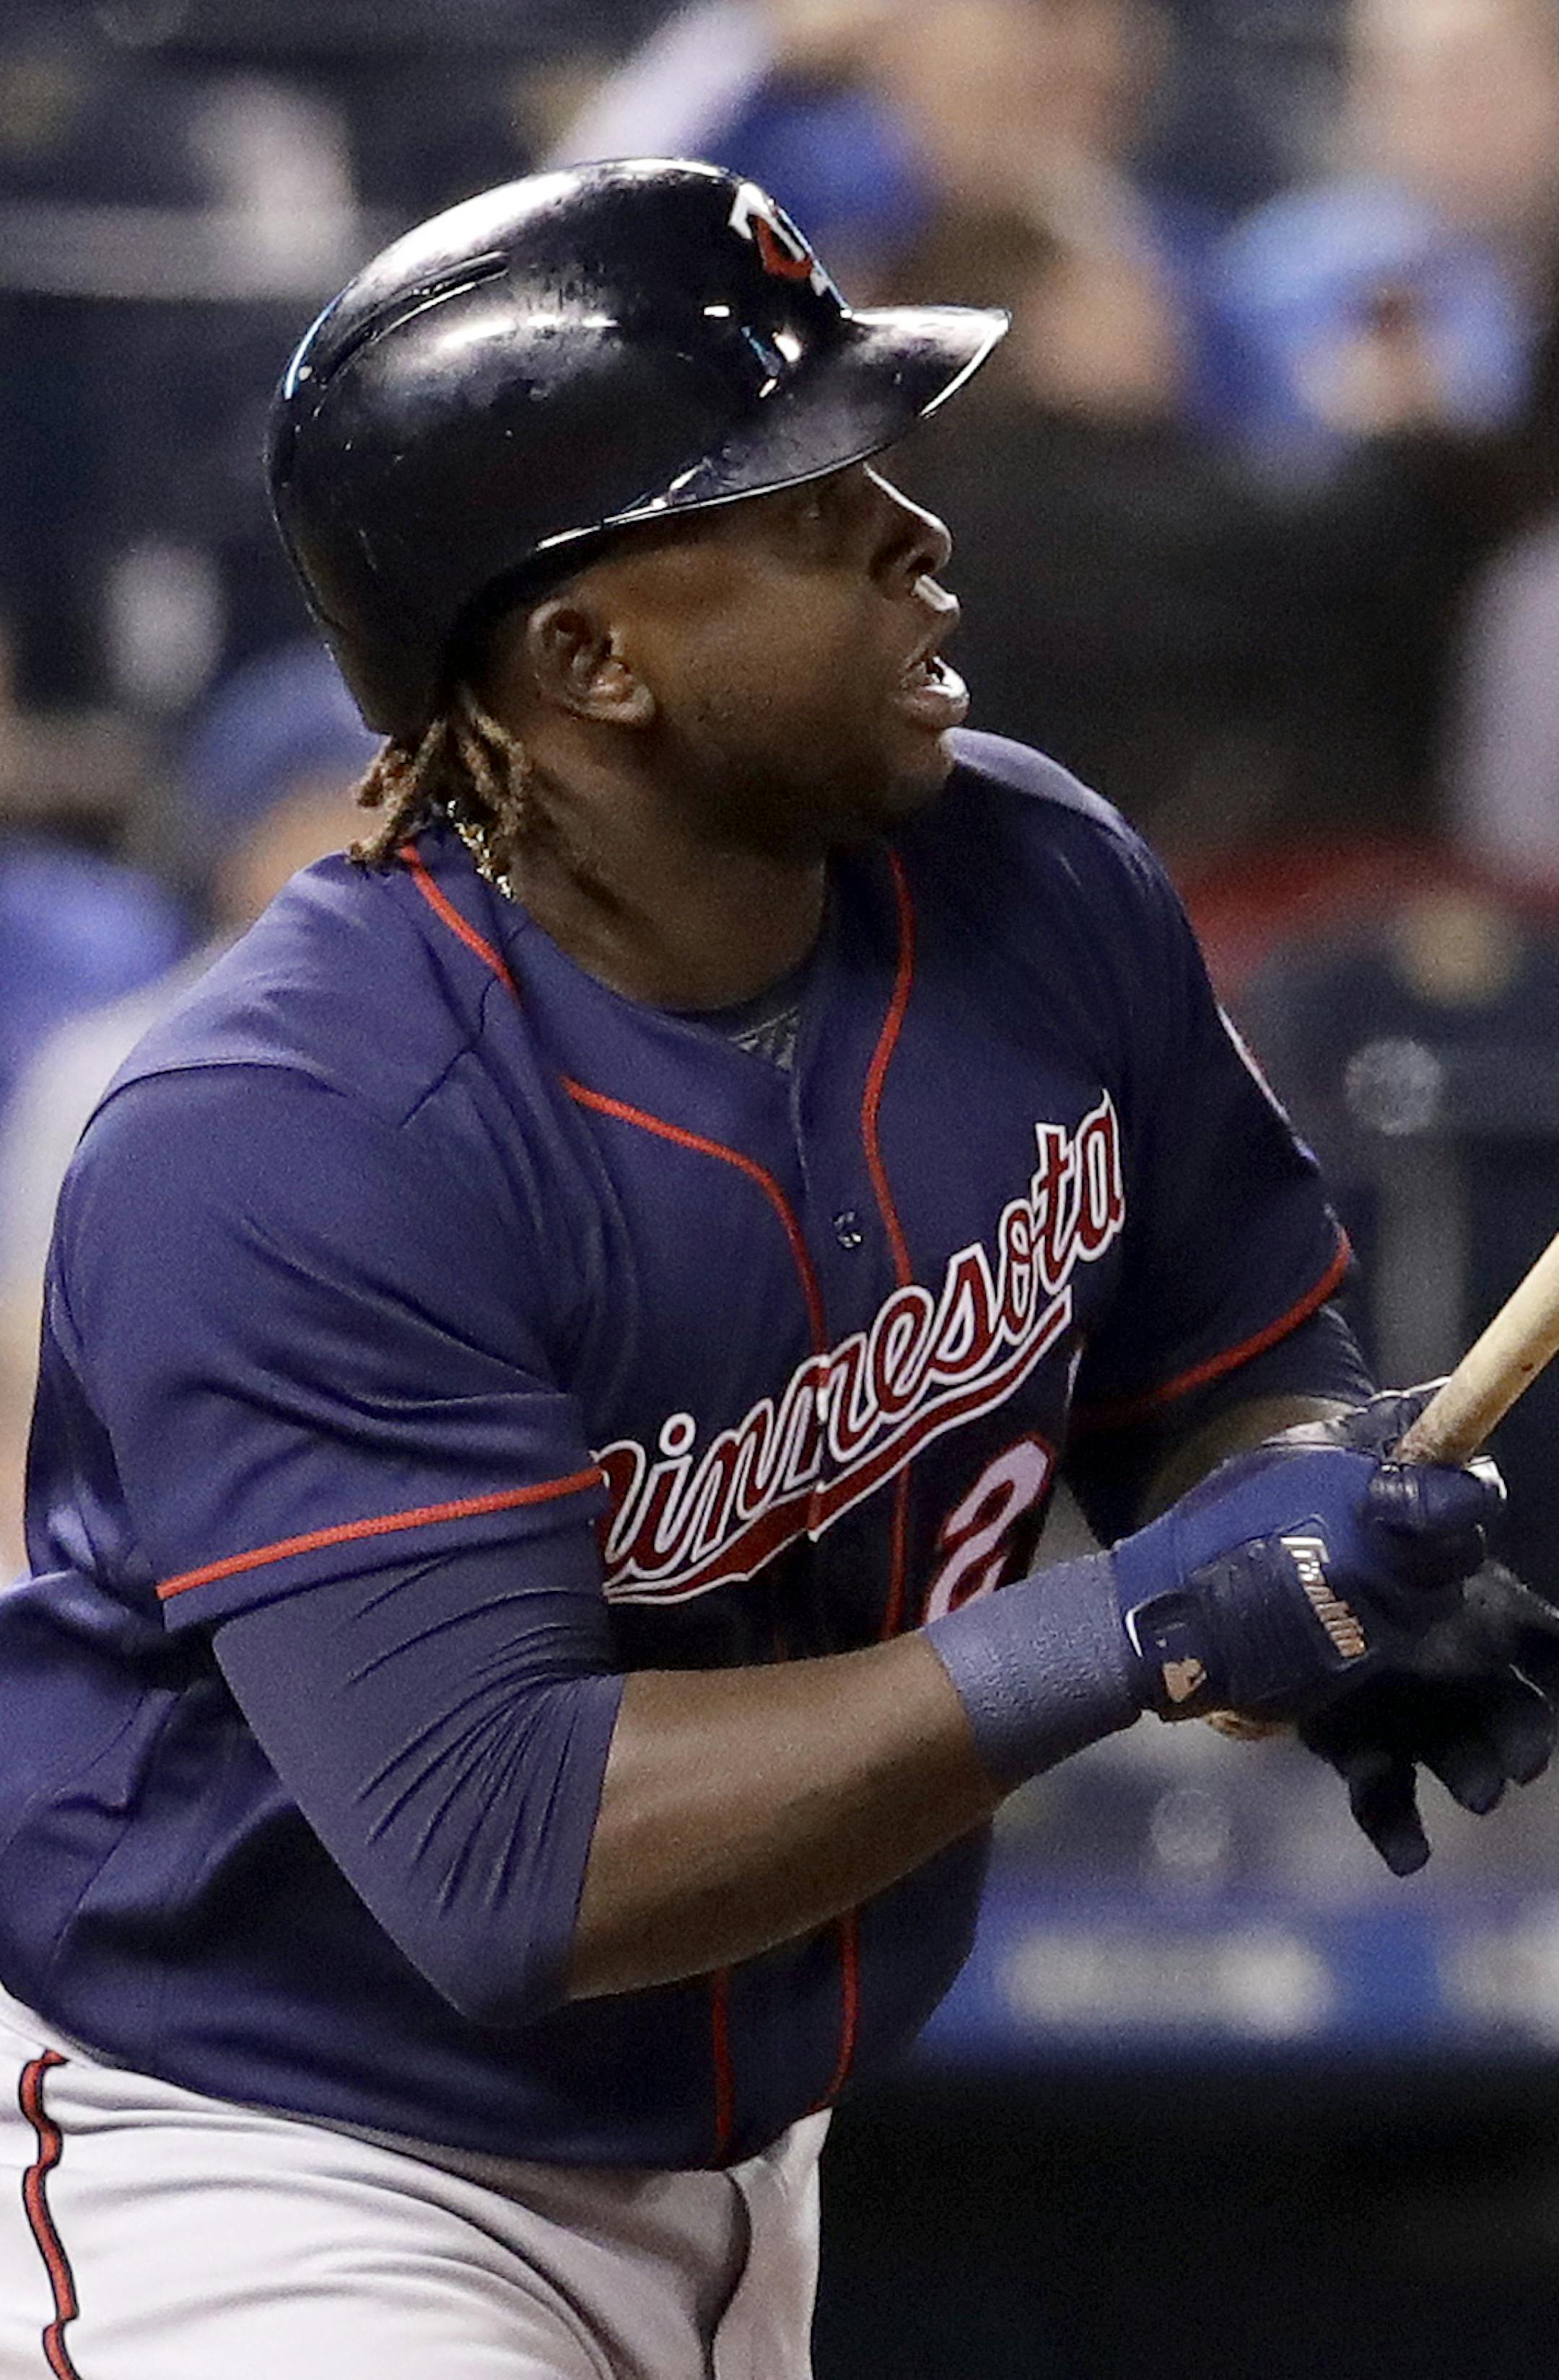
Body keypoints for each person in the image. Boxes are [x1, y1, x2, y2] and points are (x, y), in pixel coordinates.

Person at [0, 160, 1548, 2380]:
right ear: (587, 658)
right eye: (811, 503)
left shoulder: (1036, 879)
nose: (917, 537)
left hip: (760, 2170)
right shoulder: (292, 1133)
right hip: (269, 2162)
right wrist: (1138, 1622)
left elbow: (1217, 1367)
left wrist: (1330, 1537)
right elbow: (515, 1857)